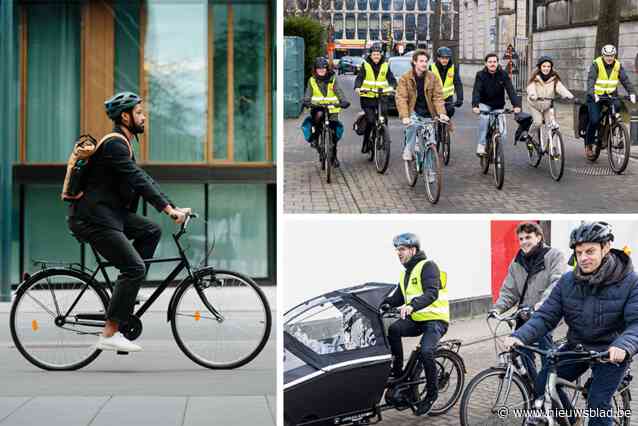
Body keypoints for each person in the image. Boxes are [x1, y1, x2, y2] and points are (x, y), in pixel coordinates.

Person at [67, 91, 189, 353]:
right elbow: (138, 180)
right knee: (134, 268)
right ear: (125, 116)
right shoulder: (115, 144)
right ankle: (109, 333)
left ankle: (128, 294)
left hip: (110, 213)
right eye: (140, 113)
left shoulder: (123, 142)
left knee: (150, 230)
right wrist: (169, 210)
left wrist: (173, 205)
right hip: (93, 218)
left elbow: (143, 178)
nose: (144, 117)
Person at [504, 222, 638, 426]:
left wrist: (623, 346)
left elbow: (636, 323)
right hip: (578, 346)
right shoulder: (568, 282)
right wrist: (519, 336)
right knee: (543, 383)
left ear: (606, 247)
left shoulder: (629, 281)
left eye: (590, 251)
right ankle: (572, 420)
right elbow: (546, 316)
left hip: (610, 351)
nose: (583, 258)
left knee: (597, 404)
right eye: (579, 252)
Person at [489, 222, 567, 384]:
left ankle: (548, 390)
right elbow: (509, 290)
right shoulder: (517, 262)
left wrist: (542, 304)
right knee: (523, 353)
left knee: (547, 357)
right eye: (521, 238)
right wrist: (497, 309)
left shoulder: (554, 256)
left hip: (546, 314)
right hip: (524, 315)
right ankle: (534, 388)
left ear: (539, 237)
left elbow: (556, 283)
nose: (524, 241)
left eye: (528, 237)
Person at [382, 233, 449, 416]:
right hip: (418, 319)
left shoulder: (428, 266)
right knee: (394, 329)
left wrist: (412, 306)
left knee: (427, 351)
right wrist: (381, 304)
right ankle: (398, 372)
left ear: (413, 250)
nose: (398, 253)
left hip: (436, 320)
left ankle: (431, 395)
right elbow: (398, 297)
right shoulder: (406, 273)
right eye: (397, 250)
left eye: (402, 249)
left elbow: (431, 293)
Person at [584, 44, 637, 159]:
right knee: (594, 120)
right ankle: (589, 145)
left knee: (617, 106)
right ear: (603, 55)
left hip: (610, 95)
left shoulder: (617, 65)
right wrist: (593, 94)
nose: (609, 58)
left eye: (611, 55)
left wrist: (632, 93)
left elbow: (625, 80)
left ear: (614, 55)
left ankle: (609, 132)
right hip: (595, 96)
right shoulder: (596, 64)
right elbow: (591, 81)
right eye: (607, 55)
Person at [395, 49, 449, 162]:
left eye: (426, 61)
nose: (424, 63)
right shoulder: (405, 78)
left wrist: (442, 113)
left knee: (431, 143)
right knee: (412, 125)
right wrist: (405, 116)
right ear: (414, 62)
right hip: (413, 111)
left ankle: (430, 174)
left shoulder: (433, 77)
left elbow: (438, 97)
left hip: (429, 113)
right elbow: (401, 98)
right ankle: (408, 148)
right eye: (421, 61)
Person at [302, 57, 350, 168]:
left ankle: (334, 157)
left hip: (332, 108)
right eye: (319, 69)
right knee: (318, 117)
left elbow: (338, 91)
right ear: (315, 70)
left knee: (333, 133)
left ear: (327, 69)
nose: (321, 71)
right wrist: (306, 101)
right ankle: (315, 137)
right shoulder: (312, 80)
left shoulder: (332, 79)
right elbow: (308, 94)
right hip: (318, 107)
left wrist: (344, 101)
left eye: (323, 68)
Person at [471, 53, 522, 156]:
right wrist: (475, 105)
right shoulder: (480, 75)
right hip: (484, 104)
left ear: (498, 63)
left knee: (503, 134)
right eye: (490, 62)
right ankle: (481, 144)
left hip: (498, 106)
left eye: (494, 62)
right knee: (484, 119)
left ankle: (497, 150)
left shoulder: (503, 74)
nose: (492, 64)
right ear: (486, 63)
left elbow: (510, 90)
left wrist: (516, 105)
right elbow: (476, 90)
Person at [354, 43, 397, 154]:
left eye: (378, 54)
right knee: (371, 120)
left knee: (384, 115)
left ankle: (384, 137)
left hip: (381, 96)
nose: (376, 56)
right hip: (368, 97)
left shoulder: (385, 65)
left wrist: (392, 87)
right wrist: (358, 87)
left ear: (381, 55)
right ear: (371, 55)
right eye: (374, 54)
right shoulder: (365, 64)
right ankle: (366, 142)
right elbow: (359, 78)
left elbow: (391, 79)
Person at [526, 56, 575, 144]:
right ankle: (529, 135)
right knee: (538, 122)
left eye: (548, 66)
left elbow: (561, 88)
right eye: (544, 66)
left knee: (551, 125)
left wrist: (571, 97)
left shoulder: (554, 78)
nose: (546, 68)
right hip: (535, 104)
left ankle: (553, 148)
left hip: (548, 105)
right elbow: (530, 88)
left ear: (551, 67)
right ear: (540, 67)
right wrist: (533, 95)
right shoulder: (535, 78)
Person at [428, 46, 463, 119]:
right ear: (438, 58)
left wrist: (460, 99)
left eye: (447, 58)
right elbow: (427, 85)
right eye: (442, 58)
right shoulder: (432, 68)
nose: (445, 60)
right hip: (435, 98)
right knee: (435, 118)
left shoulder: (453, 68)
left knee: (449, 112)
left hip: (448, 99)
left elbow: (458, 84)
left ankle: (446, 128)